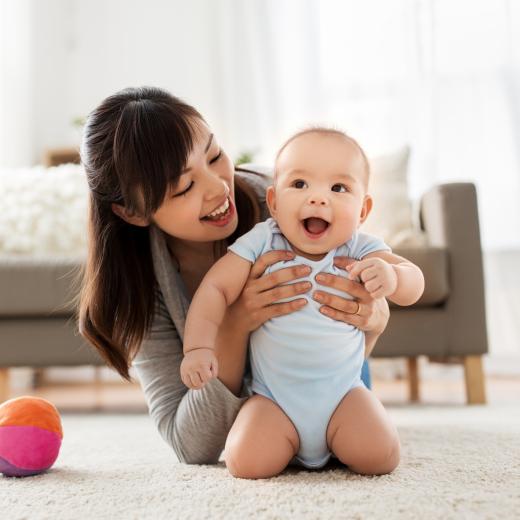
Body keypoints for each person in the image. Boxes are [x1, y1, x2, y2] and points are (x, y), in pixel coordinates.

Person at [78, 86, 391, 467]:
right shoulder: (139, 287)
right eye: (185, 187)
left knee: (371, 446)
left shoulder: (287, 206)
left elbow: (367, 294)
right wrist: (234, 325)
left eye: (214, 155)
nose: (217, 187)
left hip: (338, 387)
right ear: (133, 212)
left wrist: (374, 319)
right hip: (264, 419)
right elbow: (190, 444)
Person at [181, 128, 425, 478]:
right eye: (299, 185)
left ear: (363, 210)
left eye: (339, 188)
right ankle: (289, 443)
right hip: (274, 401)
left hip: (344, 394)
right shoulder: (263, 240)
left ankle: (338, 438)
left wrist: (394, 277)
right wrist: (198, 348)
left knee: (381, 456)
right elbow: (215, 289)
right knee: (245, 463)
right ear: (275, 202)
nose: (318, 199)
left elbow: (413, 280)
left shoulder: (359, 247)